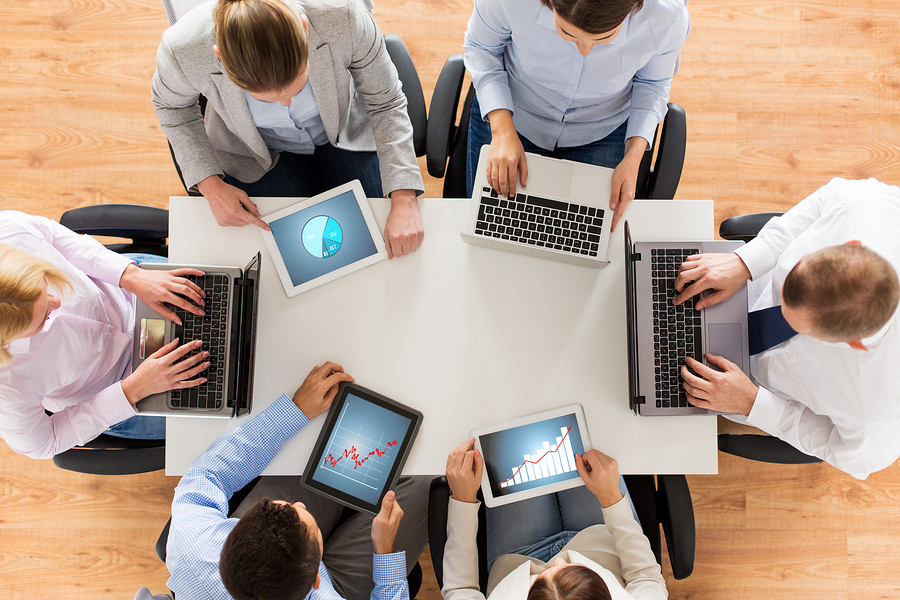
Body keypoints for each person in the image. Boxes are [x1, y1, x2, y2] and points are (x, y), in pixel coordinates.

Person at [152, 0, 425, 259]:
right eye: (263, 96)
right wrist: (210, 185)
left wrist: (404, 196)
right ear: (219, 55)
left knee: (378, 241)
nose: (285, 102)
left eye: (297, 82)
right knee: (287, 261)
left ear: (304, 28)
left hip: (344, 132)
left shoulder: (342, 13)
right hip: (255, 153)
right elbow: (171, 107)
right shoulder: (183, 48)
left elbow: (385, 102)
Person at [672, 177, 900, 479]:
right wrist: (746, 262)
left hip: (745, 386)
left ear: (855, 343)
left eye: (798, 324)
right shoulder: (867, 208)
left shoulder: (880, 412)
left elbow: (846, 453)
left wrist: (751, 402)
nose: (780, 309)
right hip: (740, 288)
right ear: (850, 244)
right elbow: (823, 202)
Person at [165, 361, 430, 600]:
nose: (300, 504)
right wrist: (385, 550)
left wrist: (296, 410)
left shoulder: (194, 543)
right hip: (339, 590)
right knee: (427, 482)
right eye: (305, 519)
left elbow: (207, 472)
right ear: (316, 580)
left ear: (235, 529)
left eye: (285, 507)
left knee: (327, 448)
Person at [463, 0, 690, 231]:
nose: (584, 49)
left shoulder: (666, 16)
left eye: (603, 38)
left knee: (585, 238)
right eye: (566, 32)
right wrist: (501, 131)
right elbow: (482, 49)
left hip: (603, 126)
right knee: (491, 229)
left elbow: (653, 83)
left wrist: (633, 158)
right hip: (514, 112)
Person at [0, 210, 209, 458]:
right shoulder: (5, 389)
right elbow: (44, 443)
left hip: (130, 291)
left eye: (46, 286)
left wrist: (130, 275)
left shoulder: (8, 232)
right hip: (124, 387)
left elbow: (54, 236)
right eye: (42, 318)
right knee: (234, 416)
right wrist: (132, 390)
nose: (56, 303)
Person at [441, 439, 666, 600]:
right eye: (570, 568)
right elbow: (645, 576)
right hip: (597, 540)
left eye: (540, 578)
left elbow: (461, 589)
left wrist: (463, 498)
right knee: (582, 437)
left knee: (507, 440)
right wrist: (609, 496)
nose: (559, 560)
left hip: (519, 557)